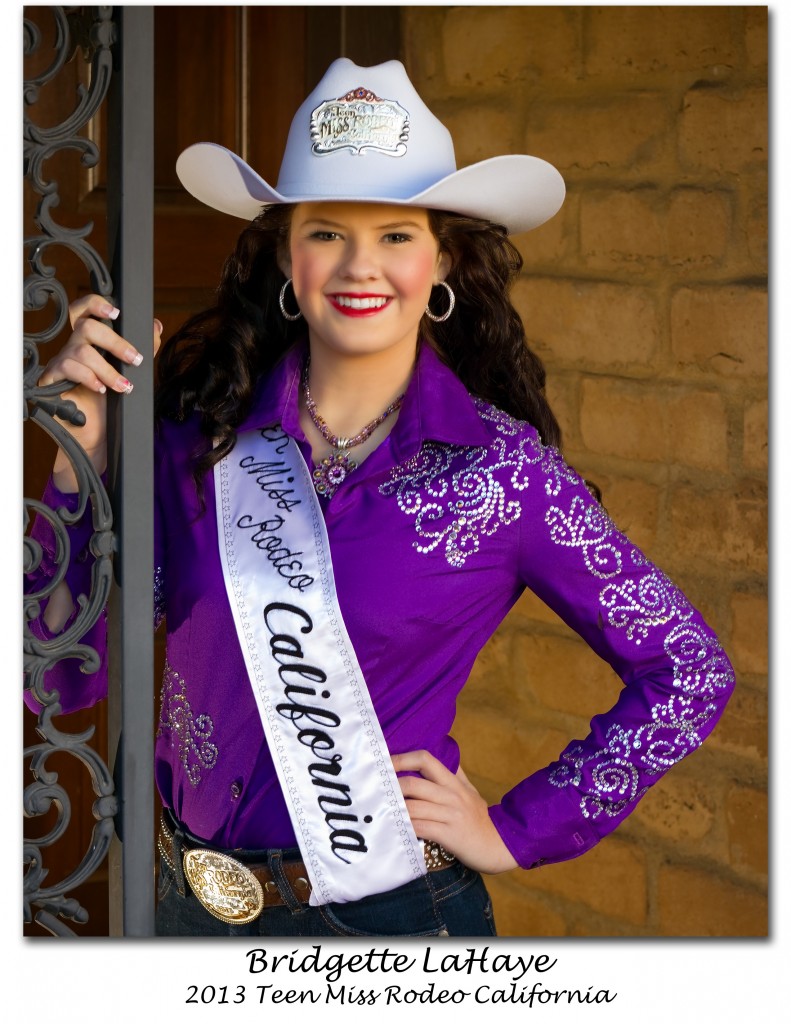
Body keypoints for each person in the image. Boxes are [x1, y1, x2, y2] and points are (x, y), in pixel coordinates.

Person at [28, 58, 735, 937]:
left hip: (388, 923)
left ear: (441, 259)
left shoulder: (504, 478)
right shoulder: (195, 431)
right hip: (176, 908)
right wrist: (75, 461)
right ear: (286, 255)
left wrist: (517, 831)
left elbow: (690, 671)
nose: (360, 266)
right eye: (326, 231)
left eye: (396, 235)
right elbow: (60, 674)